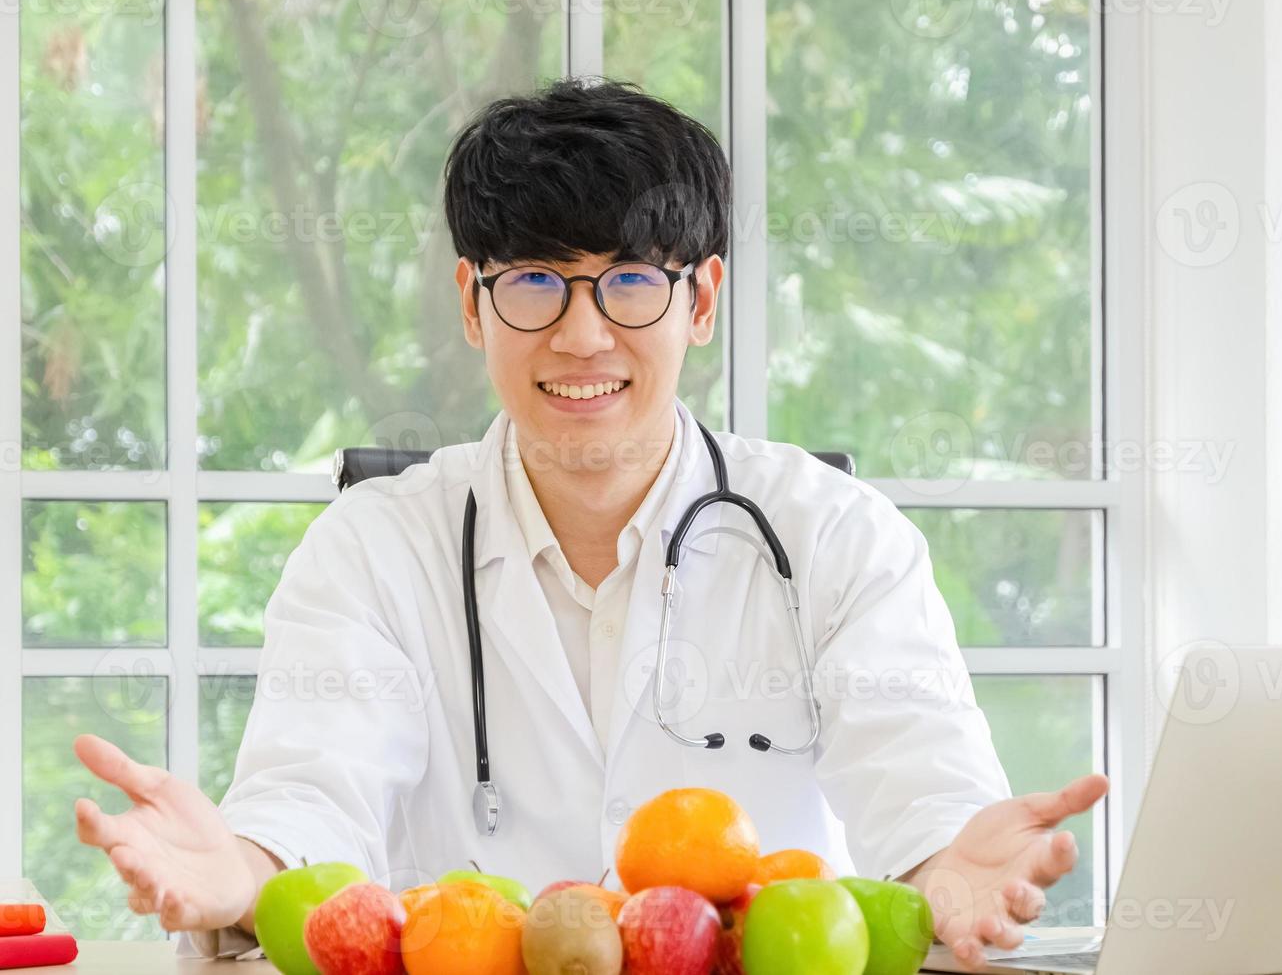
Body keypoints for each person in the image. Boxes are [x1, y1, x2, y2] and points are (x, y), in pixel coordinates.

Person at [72, 77, 1107, 968]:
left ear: (699, 301)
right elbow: (310, 799)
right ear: (472, 305)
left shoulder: (837, 537)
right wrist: (243, 867)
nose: (579, 333)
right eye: (533, 281)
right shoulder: (373, 549)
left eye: (627, 280)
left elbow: (921, 788)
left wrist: (950, 866)